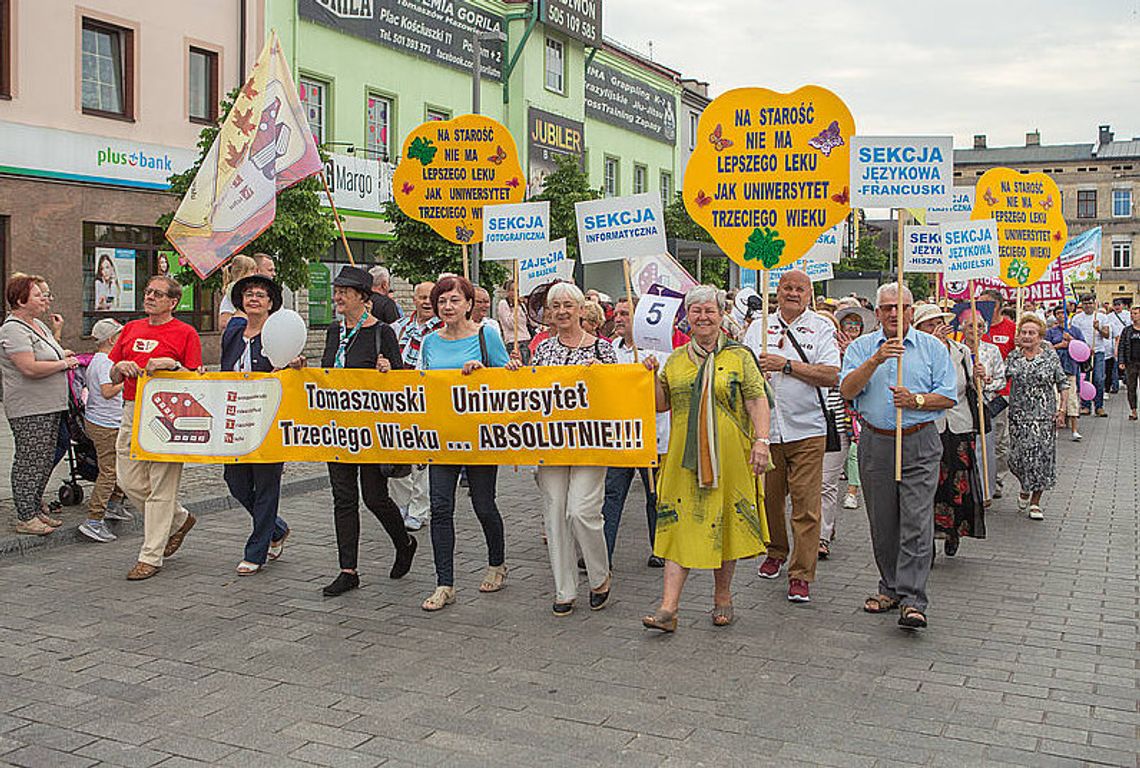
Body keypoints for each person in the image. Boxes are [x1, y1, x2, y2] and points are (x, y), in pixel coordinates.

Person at [643, 285, 773, 632]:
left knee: (725, 522)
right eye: (696, 311)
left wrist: (762, 441)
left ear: (720, 316)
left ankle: (723, 597)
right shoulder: (675, 359)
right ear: (687, 317)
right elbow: (661, 404)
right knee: (676, 524)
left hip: (730, 457)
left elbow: (756, 400)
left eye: (709, 311)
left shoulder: (739, 356)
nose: (703, 316)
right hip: (684, 459)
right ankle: (669, 608)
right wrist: (651, 376)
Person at [839, 283, 956, 630]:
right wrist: (875, 360)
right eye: (887, 307)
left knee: (916, 521)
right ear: (877, 313)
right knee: (883, 521)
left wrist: (917, 400)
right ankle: (889, 586)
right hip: (876, 442)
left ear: (911, 311)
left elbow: (947, 396)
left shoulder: (932, 348)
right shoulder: (862, 348)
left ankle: (913, 598)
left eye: (900, 307)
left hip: (919, 442)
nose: (893, 313)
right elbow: (846, 390)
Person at [314, 266, 416, 595]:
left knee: (374, 498)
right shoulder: (333, 332)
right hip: (339, 430)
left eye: (345, 291)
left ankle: (404, 542)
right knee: (343, 499)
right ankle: (348, 570)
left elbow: (399, 378)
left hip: (371, 431)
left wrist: (388, 370)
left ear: (363, 296)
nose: (338, 296)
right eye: (337, 290)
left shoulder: (381, 332)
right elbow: (327, 375)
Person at [519, 283, 618, 615]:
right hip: (552, 442)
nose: (561, 311)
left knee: (581, 511)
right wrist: (516, 375)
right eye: (555, 306)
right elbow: (531, 391)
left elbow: (619, 392)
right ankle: (564, 588)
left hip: (591, 442)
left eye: (567, 305)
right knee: (555, 513)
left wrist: (602, 377)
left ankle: (599, 575)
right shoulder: (542, 349)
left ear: (580, 309)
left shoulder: (603, 349)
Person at [746, 270, 840, 604]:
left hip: (808, 430)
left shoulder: (821, 328)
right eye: (786, 287)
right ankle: (775, 550)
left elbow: (831, 375)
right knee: (770, 500)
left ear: (809, 294)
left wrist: (786, 365)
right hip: (767, 430)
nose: (792, 293)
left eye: (800, 289)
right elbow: (742, 370)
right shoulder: (758, 326)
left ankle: (801, 574)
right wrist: (756, 370)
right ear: (777, 291)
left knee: (806, 505)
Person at [418, 275, 511, 612]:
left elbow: (509, 380)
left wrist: (483, 371)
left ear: (469, 304)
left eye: (455, 300)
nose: (447, 307)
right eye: (442, 301)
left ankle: (497, 562)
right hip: (442, 437)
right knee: (440, 507)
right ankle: (445, 583)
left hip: (479, 437)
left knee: (483, 504)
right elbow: (423, 384)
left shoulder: (487, 335)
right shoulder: (429, 342)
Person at [110, 275, 203, 580]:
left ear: (173, 302)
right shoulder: (131, 328)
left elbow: (197, 378)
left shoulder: (186, 332)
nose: (149, 297)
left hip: (168, 412)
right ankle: (179, 519)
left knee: (162, 485)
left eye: (157, 294)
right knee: (128, 480)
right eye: (148, 292)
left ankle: (150, 556)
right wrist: (118, 368)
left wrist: (172, 366)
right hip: (132, 407)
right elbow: (111, 374)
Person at [220, 274, 294, 576]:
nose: (254, 299)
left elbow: (290, 369)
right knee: (235, 481)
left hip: (268, 420)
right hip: (235, 418)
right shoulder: (234, 333)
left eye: (261, 295)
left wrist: (292, 365)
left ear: (270, 303)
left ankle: (256, 550)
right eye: (249, 294)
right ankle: (275, 528)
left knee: (266, 485)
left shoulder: (278, 335)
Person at [0, 275, 78, 535]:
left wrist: (63, 354)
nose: (46, 298)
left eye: (47, 294)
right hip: (30, 407)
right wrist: (62, 364)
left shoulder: (38, 326)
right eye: (38, 295)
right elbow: (29, 367)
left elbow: (52, 352)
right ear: (21, 299)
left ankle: (35, 509)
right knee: (29, 460)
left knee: (45, 458)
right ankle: (25, 516)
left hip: (51, 404)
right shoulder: (13, 329)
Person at [914, 305, 989, 558]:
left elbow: (970, 386)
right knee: (931, 483)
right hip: (930, 424)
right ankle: (929, 538)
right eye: (929, 324)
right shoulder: (916, 353)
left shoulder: (961, 350)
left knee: (958, 483)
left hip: (959, 424)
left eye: (939, 322)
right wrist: (932, 347)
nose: (937, 328)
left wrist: (980, 376)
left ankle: (954, 530)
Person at [601, 297, 668, 568]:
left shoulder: (660, 352)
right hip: (619, 436)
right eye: (616, 313)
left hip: (653, 437)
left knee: (655, 497)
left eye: (625, 314)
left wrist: (652, 373)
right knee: (612, 494)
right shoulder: (608, 351)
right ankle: (603, 552)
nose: (618, 318)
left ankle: (661, 548)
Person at [389, 281, 442, 531]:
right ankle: (400, 504)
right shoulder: (398, 327)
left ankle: (419, 508)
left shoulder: (444, 329)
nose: (426, 302)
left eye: (430, 297)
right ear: (414, 300)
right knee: (398, 453)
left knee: (422, 458)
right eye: (421, 297)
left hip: (428, 399)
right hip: (399, 399)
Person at [1005, 314, 1068, 521]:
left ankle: (1035, 501)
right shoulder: (1014, 356)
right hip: (1018, 417)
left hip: (1043, 418)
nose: (1027, 336)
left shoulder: (1050, 357)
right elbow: (999, 379)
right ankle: (1025, 485)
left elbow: (1062, 383)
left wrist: (1062, 409)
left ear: (1040, 336)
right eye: (1024, 332)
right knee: (1016, 458)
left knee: (1041, 460)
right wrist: (985, 378)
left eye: (1032, 333)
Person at [79, 318, 130, 543]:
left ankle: (113, 504)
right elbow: (108, 391)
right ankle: (94, 520)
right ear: (111, 340)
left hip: (107, 421)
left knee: (121, 467)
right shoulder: (104, 363)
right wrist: (129, 382)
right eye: (119, 336)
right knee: (109, 471)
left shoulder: (103, 360)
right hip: (105, 424)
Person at [835, 305, 876, 512]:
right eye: (848, 325)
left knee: (855, 448)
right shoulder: (830, 344)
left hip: (856, 407)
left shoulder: (866, 347)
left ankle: (852, 490)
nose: (852, 329)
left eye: (856, 326)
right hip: (834, 404)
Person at [1045, 305, 1086, 441]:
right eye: (1058, 313)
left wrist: (1072, 340)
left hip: (1070, 368)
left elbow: (1083, 347)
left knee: (1072, 399)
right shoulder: (1051, 332)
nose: (1061, 315)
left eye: (1063, 313)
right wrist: (1059, 345)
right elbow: (1046, 348)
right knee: (1056, 399)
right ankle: (1055, 428)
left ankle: (1074, 430)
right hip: (1055, 369)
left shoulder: (1076, 331)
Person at [1069, 295, 1110, 417]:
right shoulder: (1077, 318)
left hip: (1098, 352)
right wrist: (1085, 347)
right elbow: (1074, 335)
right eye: (1085, 303)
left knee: (1098, 378)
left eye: (1090, 303)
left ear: (1095, 304)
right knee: (1084, 379)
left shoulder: (1101, 317)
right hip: (1083, 353)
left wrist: (1098, 328)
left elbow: (1107, 335)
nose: (1088, 306)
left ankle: (1099, 406)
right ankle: (1085, 405)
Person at [218, 254, 257, 329]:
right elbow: (224, 322)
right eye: (252, 270)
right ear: (242, 272)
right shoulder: (233, 292)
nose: (254, 274)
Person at [497, 277, 531, 363]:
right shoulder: (504, 304)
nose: (516, 293)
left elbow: (530, 323)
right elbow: (510, 324)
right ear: (508, 292)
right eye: (513, 290)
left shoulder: (521, 305)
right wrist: (516, 307)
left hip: (527, 340)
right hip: (514, 341)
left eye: (518, 290)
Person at [1117, 303, 1140, 421]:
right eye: (1131, 313)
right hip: (1131, 362)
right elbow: (1121, 346)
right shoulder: (1127, 331)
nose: (1133, 316)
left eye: (1135, 313)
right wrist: (1121, 361)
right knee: (1131, 387)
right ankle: (1133, 410)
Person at [1105, 297, 1129, 394]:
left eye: (1119, 305)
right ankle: (1115, 386)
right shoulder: (1109, 316)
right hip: (1114, 342)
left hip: (1126, 341)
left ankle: (1127, 380)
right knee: (1115, 364)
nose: (1117, 307)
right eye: (1115, 305)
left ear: (1122, 305)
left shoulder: (1127, 315)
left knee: (1126, 362)